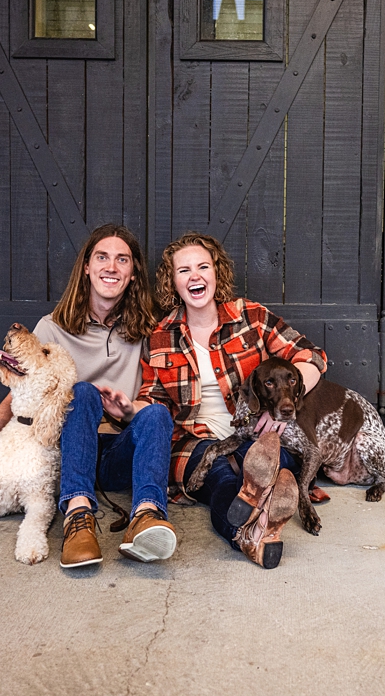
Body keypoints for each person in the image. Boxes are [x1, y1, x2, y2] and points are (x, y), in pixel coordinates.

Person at [0, 224, 177, 568]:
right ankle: (78, 516)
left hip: (118, 453)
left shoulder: (147, 329)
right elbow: (20, 392)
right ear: (87, 267)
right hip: (70, 453)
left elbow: (159, 397)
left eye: (122, 260)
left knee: (156, 414)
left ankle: (146, 517)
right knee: (81, 392)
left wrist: (128, 411)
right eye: (102, 257)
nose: (112, 266)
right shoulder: (52, 328)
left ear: (133, 272)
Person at [139, 231, 327, 568]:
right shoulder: (160, 336)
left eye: (203, 267)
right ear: (172, 282)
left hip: (255, 434)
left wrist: (288, 408)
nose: (195, 276)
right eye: (184, 271)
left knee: (264, 459)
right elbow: (152, 403)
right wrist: (126, 410)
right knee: (222, 481)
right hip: (194, 441)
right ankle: (255, 529)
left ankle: (266, 494)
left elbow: (312, 357)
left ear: (216, 273)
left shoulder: (250, 316)